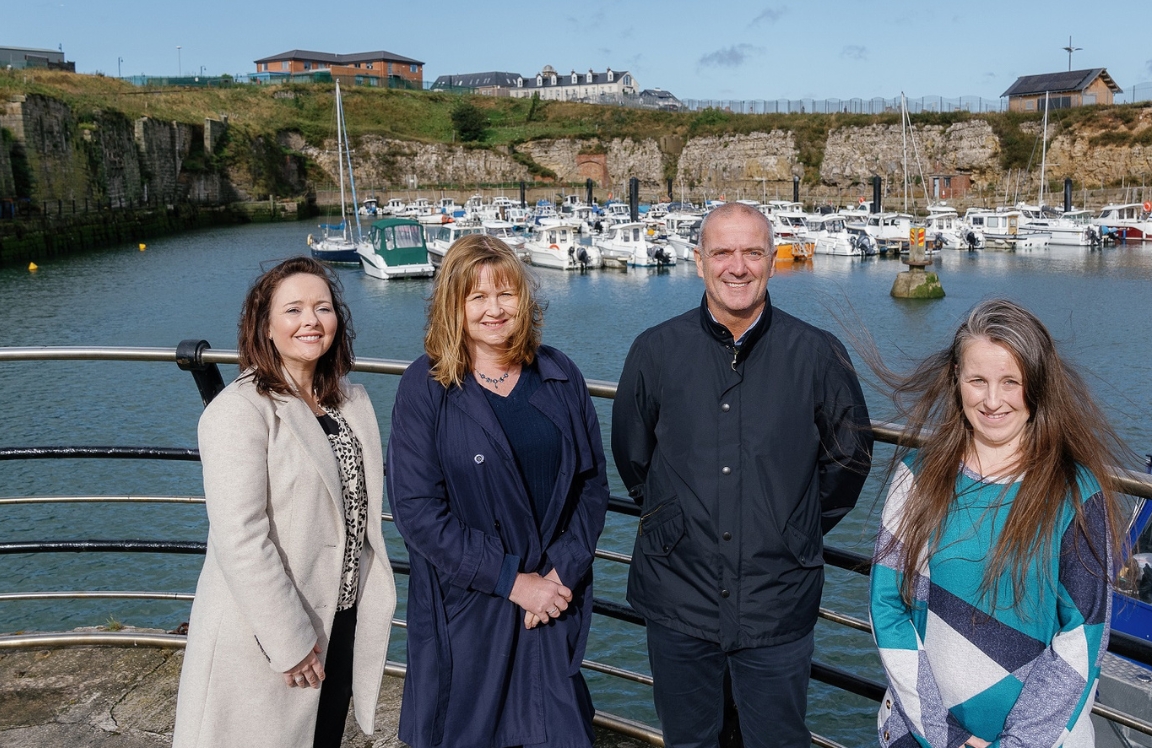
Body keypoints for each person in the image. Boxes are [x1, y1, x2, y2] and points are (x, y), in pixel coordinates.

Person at [613, 201, 874, 747]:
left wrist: (789, 526)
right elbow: (634, 458)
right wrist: (675, 523)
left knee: (777, 740)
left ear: (772, 260)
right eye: (723, 252)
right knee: (689, 740)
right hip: (678, 593)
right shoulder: (654, 351)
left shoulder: (818, 354)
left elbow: (848, 462)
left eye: (752, 252)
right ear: (699, 260)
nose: (738, 266)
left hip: (775, 597)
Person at [869, 298, 1124, 748]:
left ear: (1038, 385)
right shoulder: (917, 476)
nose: (992, 401)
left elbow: (1083, 634)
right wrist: (945, 736)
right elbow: (887, 606)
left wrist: (1017, 743)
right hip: (921, 734)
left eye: (1011, 382)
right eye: (977, 380)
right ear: (956, 380)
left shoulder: (1076, 493)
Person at [388, 235, 611, 748]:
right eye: (477, 297)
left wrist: (560, 572)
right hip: (471, 606)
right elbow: (417, 511)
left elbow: (591, 486)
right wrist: (514, 581)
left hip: (551, 605)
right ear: (453, 305)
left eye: (506, 294)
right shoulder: (427, 388)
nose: (494, 309)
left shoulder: (558, 375)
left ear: (524, 299)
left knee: (559, 730)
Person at [173, 257, 397, 748]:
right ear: (266, 326)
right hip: (271, 630)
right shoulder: (239, 410)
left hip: (339, 615)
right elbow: (241, 537)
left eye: (322, 307)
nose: (311, 321)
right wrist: (290, 641)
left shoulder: (348, 401)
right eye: (293, 309)